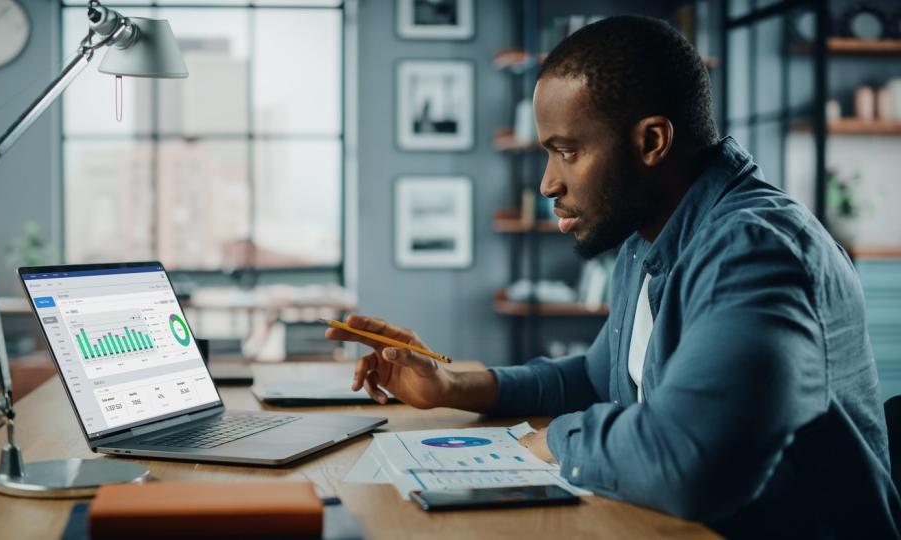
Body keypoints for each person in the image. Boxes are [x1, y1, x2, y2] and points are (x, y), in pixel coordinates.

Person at [327, 16, 900, 538]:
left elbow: (685, 463)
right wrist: (452, 386)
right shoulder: (647, 236)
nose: (548, 182)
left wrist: (556, 439)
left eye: (567, 151)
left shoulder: (755, 252)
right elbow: (599, 377)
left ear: (652, 141)